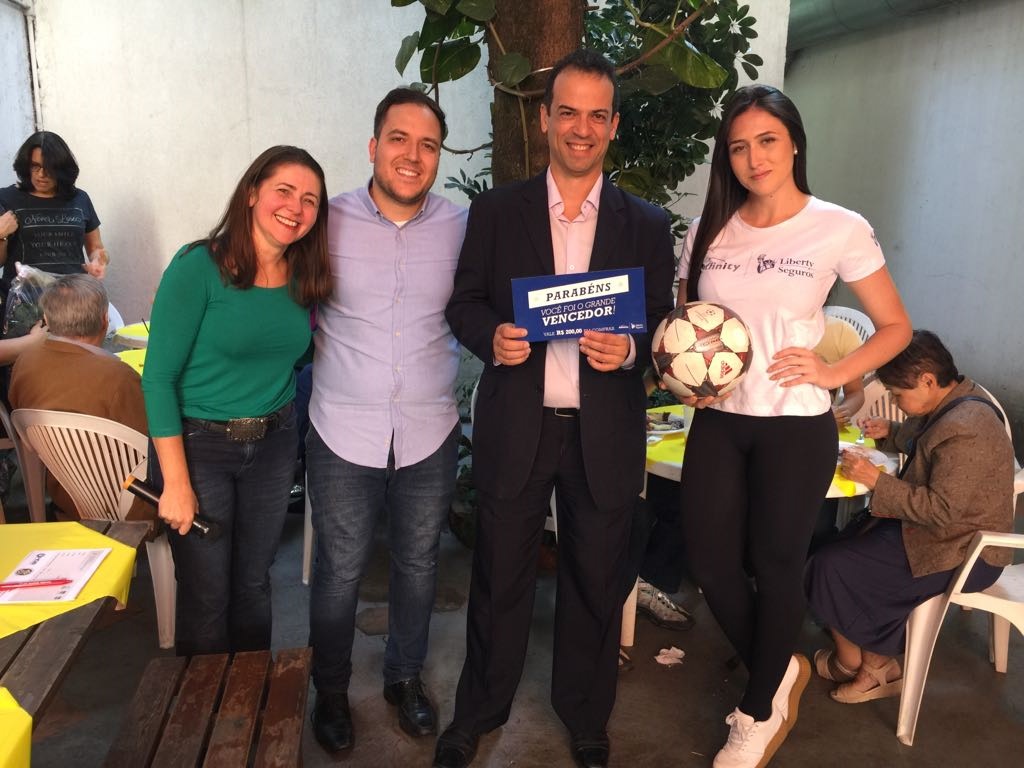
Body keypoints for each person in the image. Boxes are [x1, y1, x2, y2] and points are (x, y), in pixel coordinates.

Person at [435, 50, 676, 768]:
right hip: (520, 424)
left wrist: (630, 352)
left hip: (603, 430)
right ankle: (477, 712)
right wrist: (495, 336)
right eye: (567, 112)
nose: (581, 128)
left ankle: (587, 718)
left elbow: (659, 323)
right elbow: (464, 303)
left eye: (596, 115)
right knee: (499, 579)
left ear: (613, 126)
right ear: (544, 120)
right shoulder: (498, 212)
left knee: (596, 585)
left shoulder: (646, 223)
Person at [675, 84, 911, 768]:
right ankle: (777, 673)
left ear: (794, 142)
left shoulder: (838, 227)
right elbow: (691, 330)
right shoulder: (707, 230)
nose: (754, 157)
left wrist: (835, 373)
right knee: (712, 562)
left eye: (767, 141)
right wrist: (687, 378)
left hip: (794, 425)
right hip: (720, 421)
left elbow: (895, 328)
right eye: (739, 146)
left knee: (776, 566)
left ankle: (754, 713)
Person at [306, 88, 467, 755]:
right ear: (374, 147)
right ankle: (332, 690)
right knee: (340, 569)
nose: (413, 155)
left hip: (429, 427)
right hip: (343, 426)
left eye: (428, 144)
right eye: (399, 139)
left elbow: (491, 300)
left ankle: (404, 678)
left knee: (419, 562)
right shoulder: (326, 221)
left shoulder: (461, 226)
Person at [142, 146, 331, 656]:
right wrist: (176, 484)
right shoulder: (198, 266)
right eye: (284, 191)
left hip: (273, 445)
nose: (296, 207)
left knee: (254, 584)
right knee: (207, 596)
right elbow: (158, 379)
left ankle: (245, 714)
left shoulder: (303, 277)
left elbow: (293, 358)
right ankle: (202, 721)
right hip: (201, 448)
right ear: (252, 194)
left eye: (311, 200)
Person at [806, 330, 1014, 702]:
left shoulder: (967, 428)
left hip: (965, 550)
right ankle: (865, 652)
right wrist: (893, 432)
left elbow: (942, 511)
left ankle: (868, 666)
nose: (896, 403)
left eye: (898, 396)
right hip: (941, 534)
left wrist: (875, 480)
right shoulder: (958, 397)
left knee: (829, 564)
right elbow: (930, 444)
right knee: (833, 546)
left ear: (928, 380)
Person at [8, 274, 148, 519]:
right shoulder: (119, 378)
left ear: (47, 320)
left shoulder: (24, 364)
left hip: (68, 498)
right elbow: (153, 443)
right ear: (106, 320)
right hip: (134, 503)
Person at [0, 131, 108, 297]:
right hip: (23, 302)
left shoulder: (80, 198)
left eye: (49, 168)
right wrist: (0, 233)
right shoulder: (6, 198)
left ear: (63, 170)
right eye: (35, 166)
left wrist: (98, 260)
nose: (41, 174)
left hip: (71, 300)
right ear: (26, 166)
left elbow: (96, 248)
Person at [809, 316, 867, 552]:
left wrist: (841, 411)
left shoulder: (840, 333)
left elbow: (856, 394)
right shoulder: (767, 327)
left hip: (822, 436)